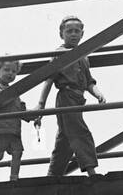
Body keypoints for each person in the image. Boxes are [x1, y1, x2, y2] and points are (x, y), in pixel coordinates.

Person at [36, 15, 105, 177]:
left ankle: (53, 176)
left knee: (65, 139)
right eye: (69, 31)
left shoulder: (83, 55)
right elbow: (49, 79)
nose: (73, 34)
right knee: (80, 132)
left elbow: (89, 82)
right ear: (62, 34)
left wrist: (98, 94)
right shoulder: (59, 53)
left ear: (82, 34)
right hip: (66, 97)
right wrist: (41, 104)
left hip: (78, 99)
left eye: (77, 31)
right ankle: (91, 171)